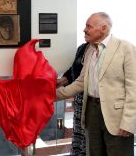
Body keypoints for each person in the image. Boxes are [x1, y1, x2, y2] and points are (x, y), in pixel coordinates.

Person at [56, 12, 136, 156]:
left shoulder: (126, 48)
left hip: (117, 116)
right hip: (91, 113)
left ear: (104, 28)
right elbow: (81, 82)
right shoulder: (89, 50)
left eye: (89, 26)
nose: (84, 30)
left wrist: (129, 122)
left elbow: (134, 88)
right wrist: (51, 95)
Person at [57, 42, 89, 155]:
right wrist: (63, 80)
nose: (85, 30)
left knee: (88, 140)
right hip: (79, 99)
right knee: (79, 138)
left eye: (89, 26)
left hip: (92, 101)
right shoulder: (83, 48)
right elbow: (74, 70)